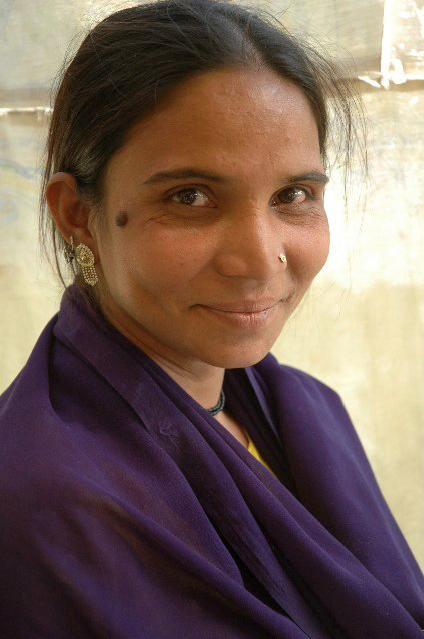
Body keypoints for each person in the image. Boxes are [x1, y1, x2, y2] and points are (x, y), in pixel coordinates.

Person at [0, 0, 423, 636]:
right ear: (78, 214)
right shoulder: (47, 499)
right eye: (190, 197)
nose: (258, 259)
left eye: (293, 195)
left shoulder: (309, 413)